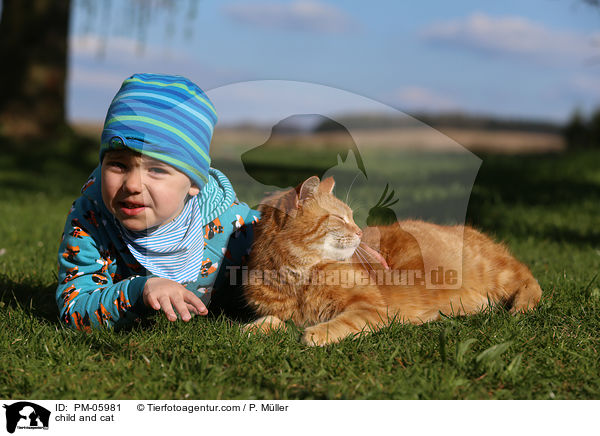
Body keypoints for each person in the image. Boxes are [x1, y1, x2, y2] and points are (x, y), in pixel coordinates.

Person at [56, 73, 260, 331]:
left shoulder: (235, 226)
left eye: (156, 169)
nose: (132, 184)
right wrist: (138, 291)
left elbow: (291, 251)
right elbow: (74, 309)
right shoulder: (90, 221)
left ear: (195, 182)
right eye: (118, 164)